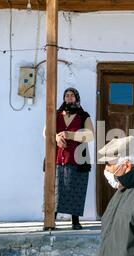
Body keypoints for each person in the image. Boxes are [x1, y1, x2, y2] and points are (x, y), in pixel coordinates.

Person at [43, 87, 94, 230]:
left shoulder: (84, 115)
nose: (69, 98)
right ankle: (51, 220)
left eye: (72, 95)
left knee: (75, 188)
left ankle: (75, 221)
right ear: (64, 98)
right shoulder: (56, 114)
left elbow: (90, 134)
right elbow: (46, 132)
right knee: (55, 188)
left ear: (77, 99)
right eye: (67, 95)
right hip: (56, 157)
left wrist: (69, 134)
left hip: (77, 158)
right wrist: (57, 137)